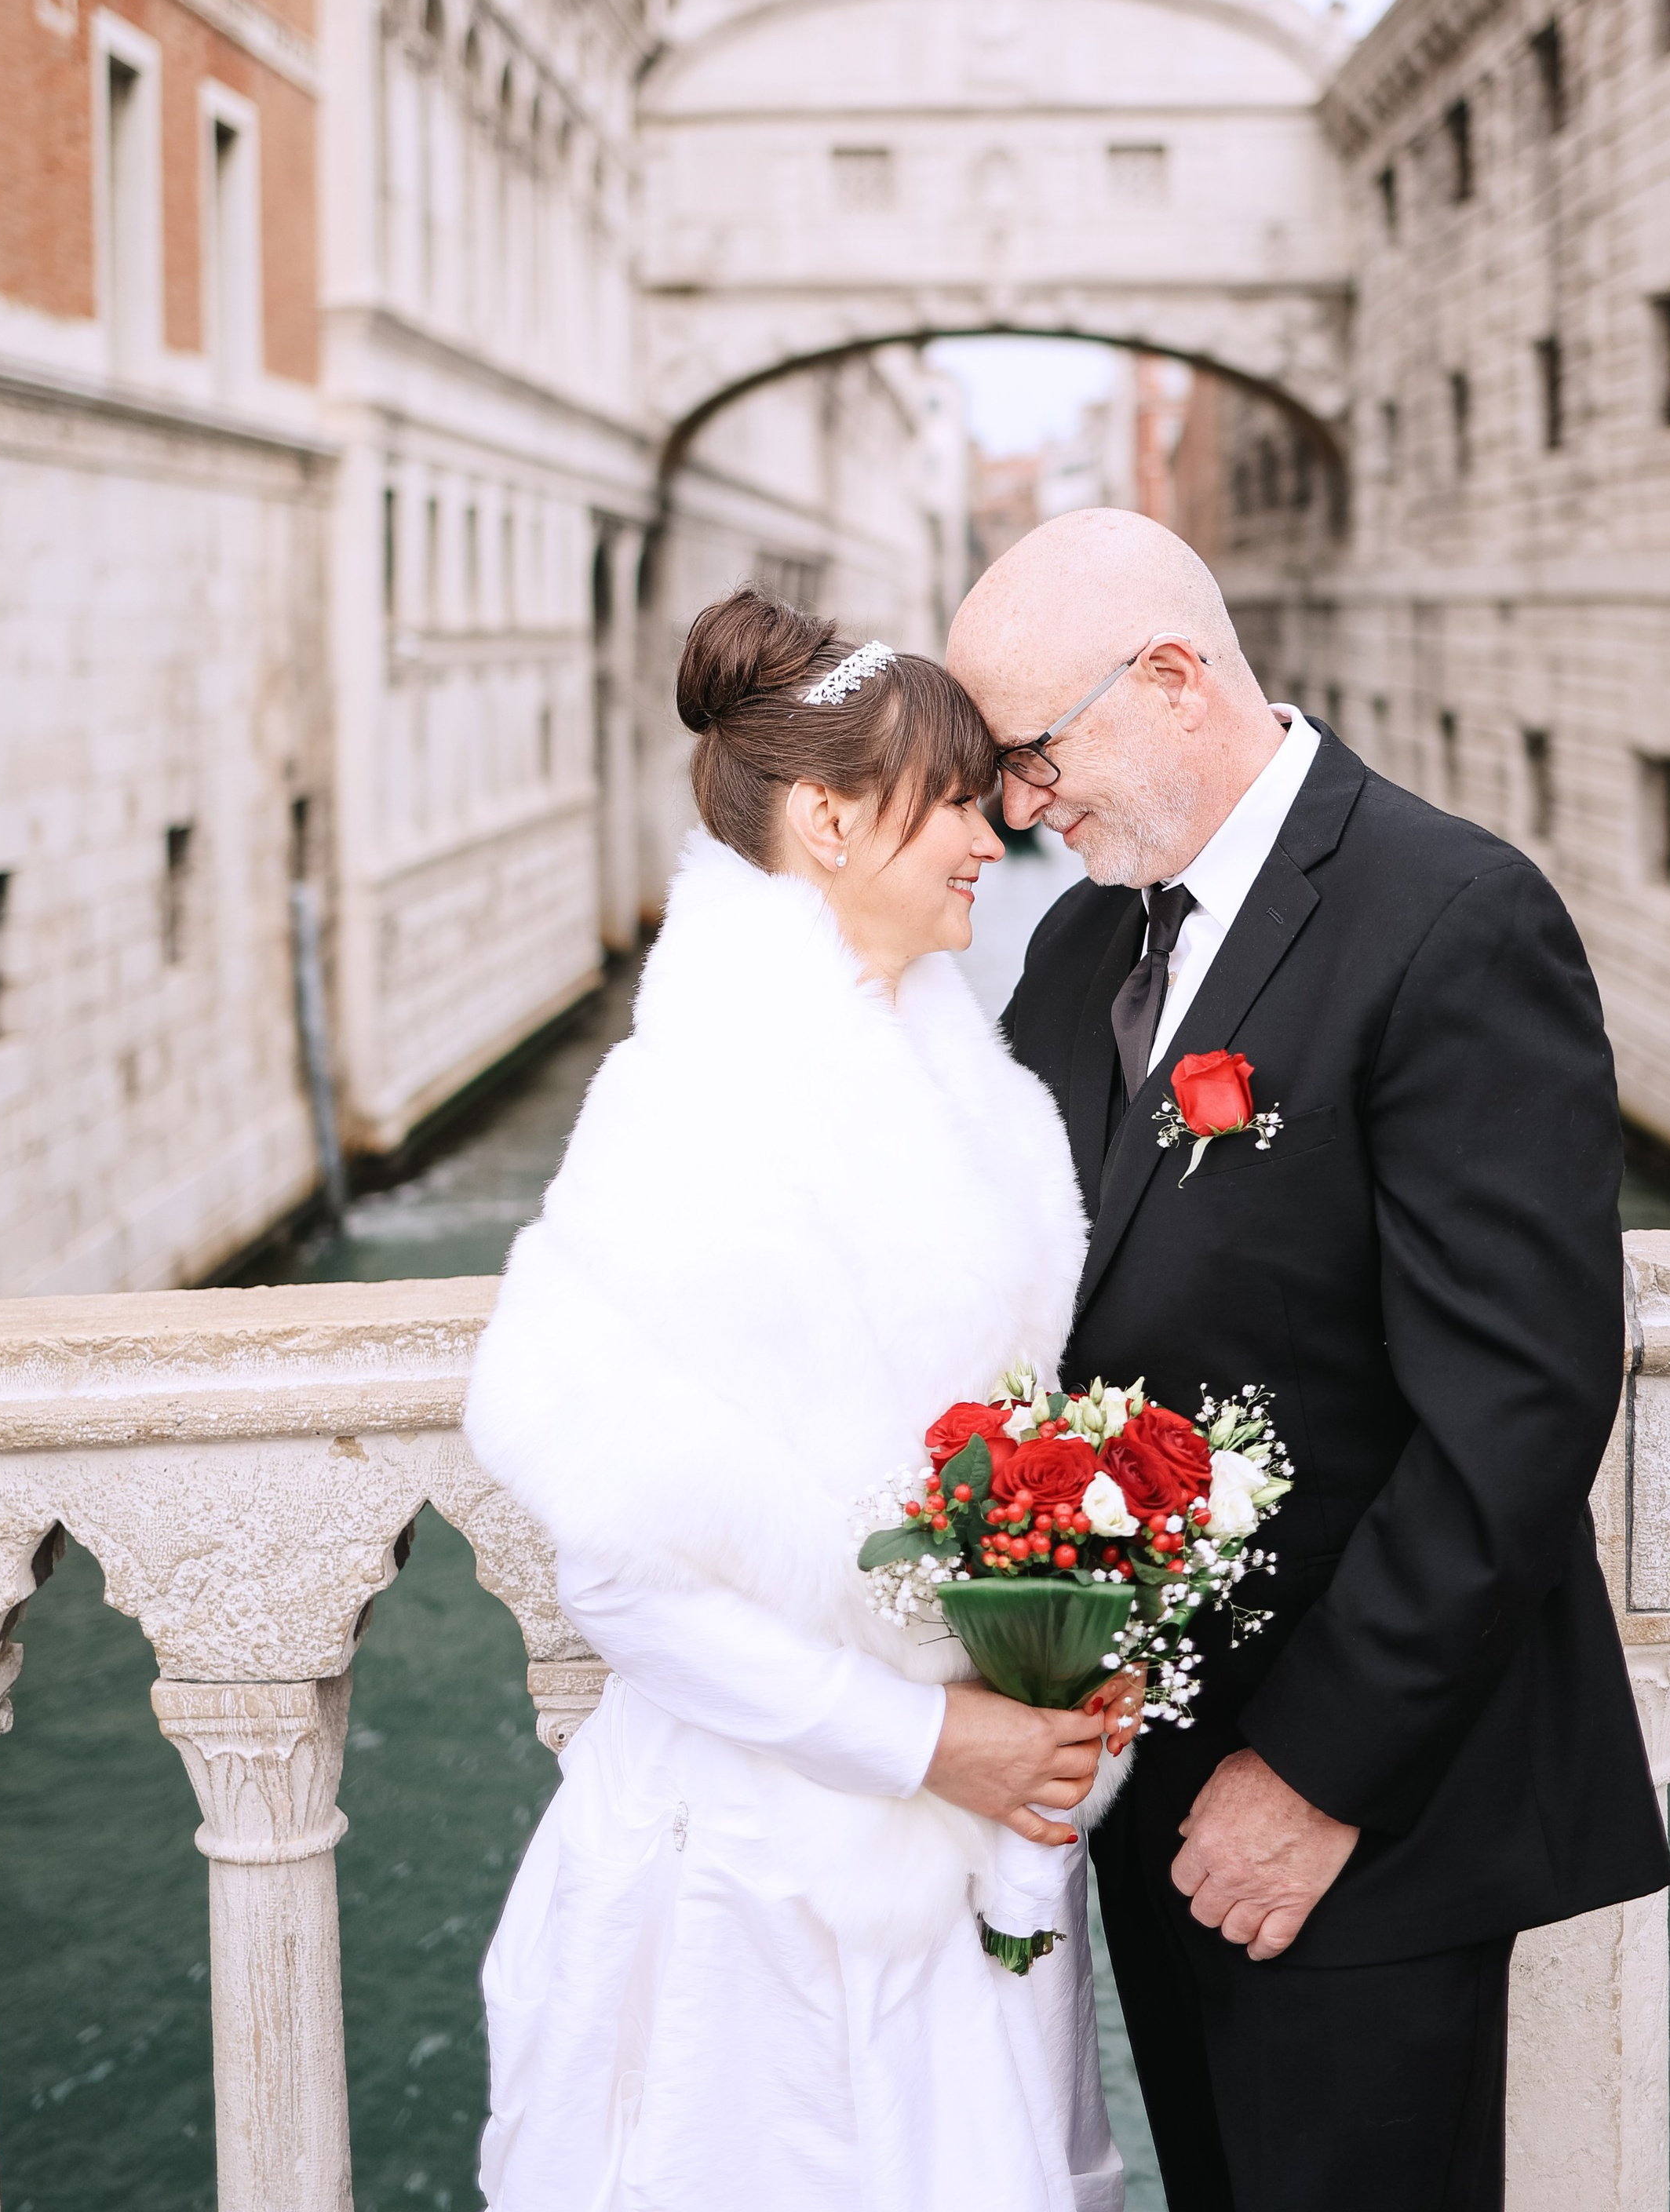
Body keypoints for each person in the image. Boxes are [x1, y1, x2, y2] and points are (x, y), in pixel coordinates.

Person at [945, 508, 1670, 2212]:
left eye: (1033, 757)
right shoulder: (1074, 945)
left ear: (1175, 680)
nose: (1019, 807)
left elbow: (1516, 1406)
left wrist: (1314, 1779)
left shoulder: (1449, 916)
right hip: (1137, 1779)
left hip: (1362, 1806)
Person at [463, 587, 1127, 2212]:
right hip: (762, 1885)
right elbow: (621, 1573)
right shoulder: (693, 1110)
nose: (992, 836)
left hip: (969, 1845)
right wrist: (924, 1743)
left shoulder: (951, 1073)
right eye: (956, 800)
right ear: (828, 821)